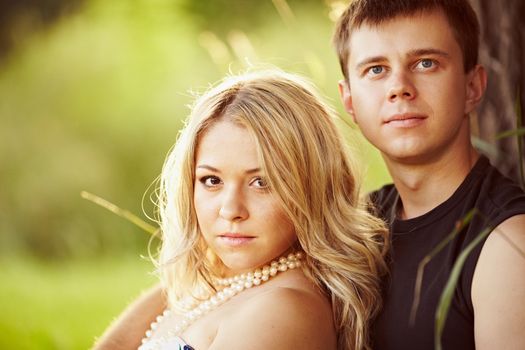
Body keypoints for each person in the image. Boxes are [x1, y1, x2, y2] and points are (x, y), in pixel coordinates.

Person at [94, 70, 389, 349]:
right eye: (212, 180)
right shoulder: (215, 285)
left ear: (311, 186)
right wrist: (190, 274)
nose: (231, 210)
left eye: (261, 182)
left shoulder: (282, 309)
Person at [333, 0, 525, 349]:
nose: (400, 87)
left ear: (472, 87)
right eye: (376, 70)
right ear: (349, 101)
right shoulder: (357, 227)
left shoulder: (509, 243)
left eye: (426, 63)